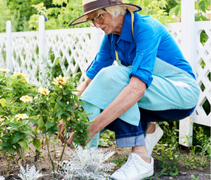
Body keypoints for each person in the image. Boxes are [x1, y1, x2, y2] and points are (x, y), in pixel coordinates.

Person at [58, 0, 200, 179]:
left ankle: (142, 160)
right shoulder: (111, 38)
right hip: (153, 95)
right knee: (97, 92)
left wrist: (91, 128)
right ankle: (88, 159)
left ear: (116, 10)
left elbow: (136, 88)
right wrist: (69, 112)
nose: (96, 24)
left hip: (181, 93)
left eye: (99, 16)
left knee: (115, 77)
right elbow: (89, 83)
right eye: (91, 20)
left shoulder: (145, 28)